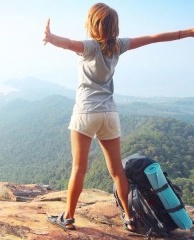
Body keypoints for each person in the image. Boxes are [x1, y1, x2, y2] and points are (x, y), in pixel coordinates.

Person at [43, 2, 194, 231]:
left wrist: (52, 38)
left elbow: (68, 44)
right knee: (116, 171)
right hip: (110, 114)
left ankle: (68, 217)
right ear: (115, 27)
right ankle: (130, 219)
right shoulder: (118, 46)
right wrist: (188, 32)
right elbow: (153, 37)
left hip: (86, 112)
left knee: (78, 168)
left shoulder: (90, 46)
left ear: (93, 24)